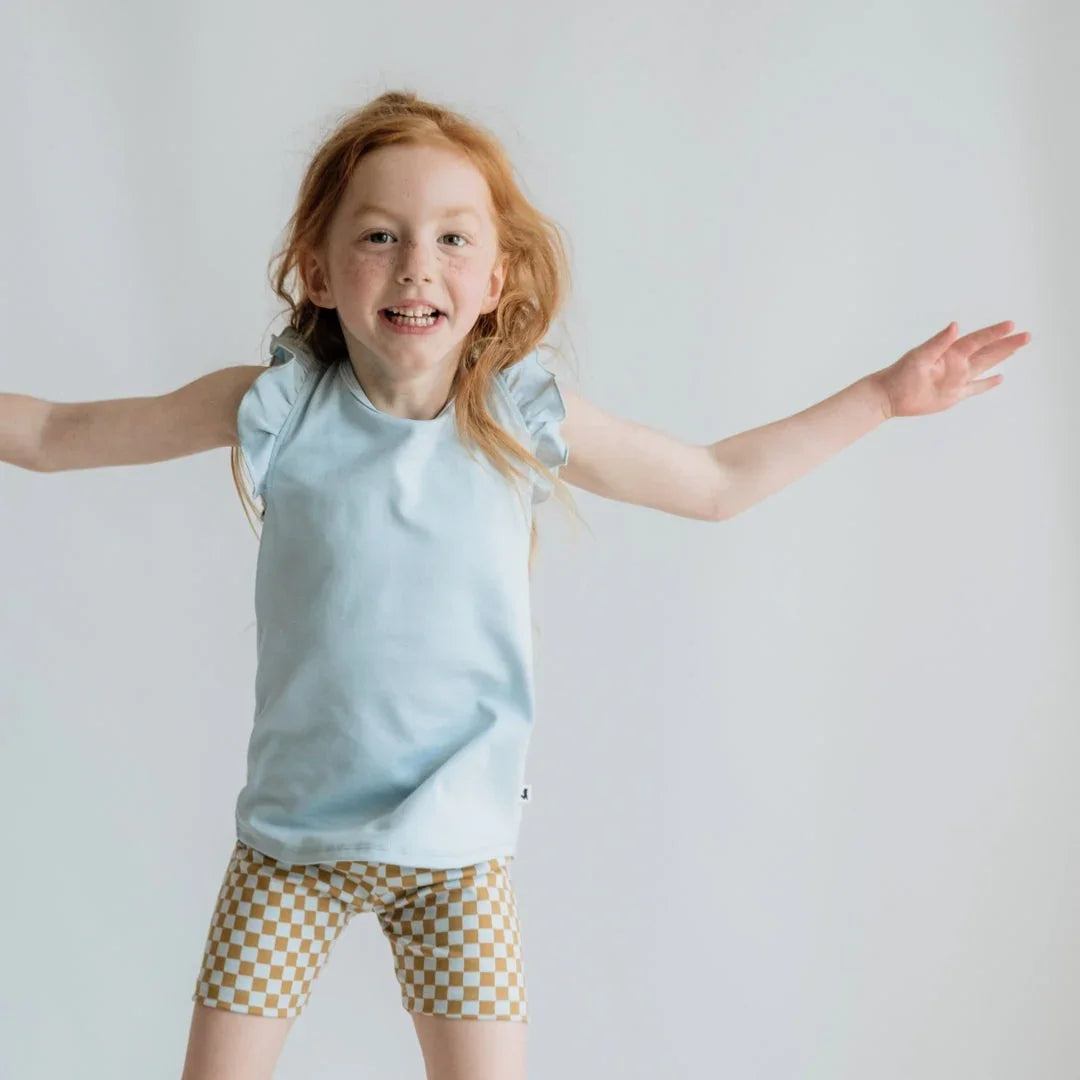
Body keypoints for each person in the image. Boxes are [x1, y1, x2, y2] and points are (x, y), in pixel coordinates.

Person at [0, 88, 1030, 1080]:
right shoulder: (279, 408)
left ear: (495, 280)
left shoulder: (521, 415)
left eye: (454, 237)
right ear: (316, 271)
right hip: (288, 847)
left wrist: (884, 398)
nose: (417, 265)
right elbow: (51, 435)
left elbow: (716, 484)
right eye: (378, 236)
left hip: (459, 854)